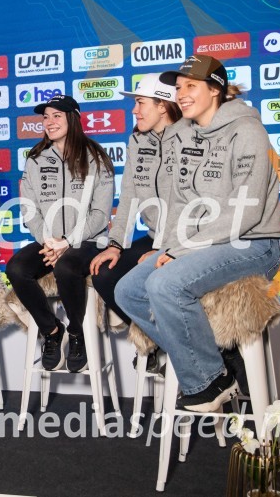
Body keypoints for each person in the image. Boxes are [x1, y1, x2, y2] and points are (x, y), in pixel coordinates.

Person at [114, 55, 280, 413]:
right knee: (127, 290)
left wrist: (181, 251)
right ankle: (217, 364)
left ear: (215, 90)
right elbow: (180, 204)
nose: (183, 94)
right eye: (179, 88)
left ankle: (207, 379)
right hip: (205, 243)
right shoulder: (187, 135)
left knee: (165, 284)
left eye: (191, 86)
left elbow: (247, 212)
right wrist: (167, 245)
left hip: (254, 242)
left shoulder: (247, 131)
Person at [5, 94, 115, 373]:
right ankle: (52, 331)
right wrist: (49, 242)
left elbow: (101, 214)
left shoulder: (96, 157)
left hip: (89, 241)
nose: (49, 122)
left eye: (57, 116)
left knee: (67, 267)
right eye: (45, 116)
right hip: (49, 241)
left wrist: (68, 242)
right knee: (16, 268)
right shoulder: (36, 159)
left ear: (73, 119)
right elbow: (29, 208)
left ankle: (77, 334)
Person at [88, 73, 181, 371]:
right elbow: (129, 195)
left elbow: (193, 205)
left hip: (186, 241)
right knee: (104, 273)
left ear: (163, 105)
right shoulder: (137, 139)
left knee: (152, 275)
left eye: (140, 103)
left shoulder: (192, 138)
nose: (134, 110)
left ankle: (187, 352)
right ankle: (158, 341)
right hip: (155, 236)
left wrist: (167, 248)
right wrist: (115, 244)